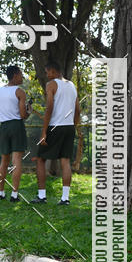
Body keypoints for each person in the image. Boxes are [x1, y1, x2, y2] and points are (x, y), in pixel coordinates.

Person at [32, 60, 79, 205]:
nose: (46, 76)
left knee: (40, 159)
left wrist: (44, 132)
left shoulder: (51, 84)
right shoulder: (72, 85)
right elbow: (78, 109)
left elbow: (49, 108)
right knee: (65, 161)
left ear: (52, 71)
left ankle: (41, 196)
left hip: (55, 127)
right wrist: (73, 126)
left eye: (47, 73)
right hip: (69, 127)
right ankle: (65, 198)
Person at [0, 65, 31, 201]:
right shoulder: (20, 92)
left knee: (4, 161)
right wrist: (29, 110)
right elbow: (23, 115)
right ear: (14, 75)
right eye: (20, 74)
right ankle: (14, 194)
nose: (22, 76)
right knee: (16, 160)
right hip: (16, 125)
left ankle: (1, 192)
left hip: (3, 128)